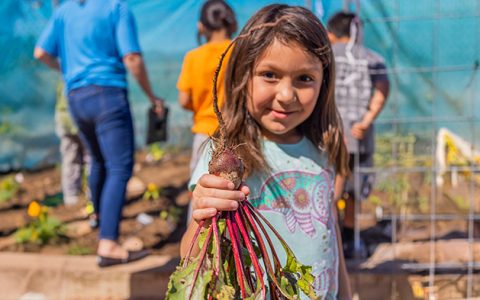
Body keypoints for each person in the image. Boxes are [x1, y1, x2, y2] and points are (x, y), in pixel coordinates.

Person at [180, 4, 352, 299]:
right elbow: (191, 257)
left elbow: (330, 230)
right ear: (243, 76)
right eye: (270, 75)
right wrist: (203, 215)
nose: (286, 96)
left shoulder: (323, 147)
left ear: (324, 83)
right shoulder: (224, 156)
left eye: (305, 79)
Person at [34, 0, 165, 267]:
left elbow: (40, 53)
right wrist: (152, 97)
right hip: (108, 94)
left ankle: (98, 219)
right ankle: (109, 245)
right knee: (119, 167)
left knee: (98, 161)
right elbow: (131, 58)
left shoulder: (64, 12)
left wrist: (68, 71)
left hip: (76, 98)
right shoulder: (115, 8)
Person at [327, 11, 390, 258]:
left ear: (331, 33)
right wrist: (366, 120)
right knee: (354, 191)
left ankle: (331, 240)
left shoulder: (325, 57)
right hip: (358, 139)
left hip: (330, 137)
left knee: (329, 192)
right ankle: (352, 243)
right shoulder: (371, 58)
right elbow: (383, 88)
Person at [177, 0, 237, 174]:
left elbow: (184, 100)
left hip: (205, 133)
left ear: (201, 26)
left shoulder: (193, 57)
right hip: (236, 131)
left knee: (200, 187)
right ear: (232, 23)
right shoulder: (239, 51)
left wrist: (200, 106)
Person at [55, 81, 90, 206]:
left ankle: (71, 194)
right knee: (90, 157)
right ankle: (91, 193)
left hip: (65, 121)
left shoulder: (65, 71)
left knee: (70, 158)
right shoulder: (83, 74)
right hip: (81, 119)